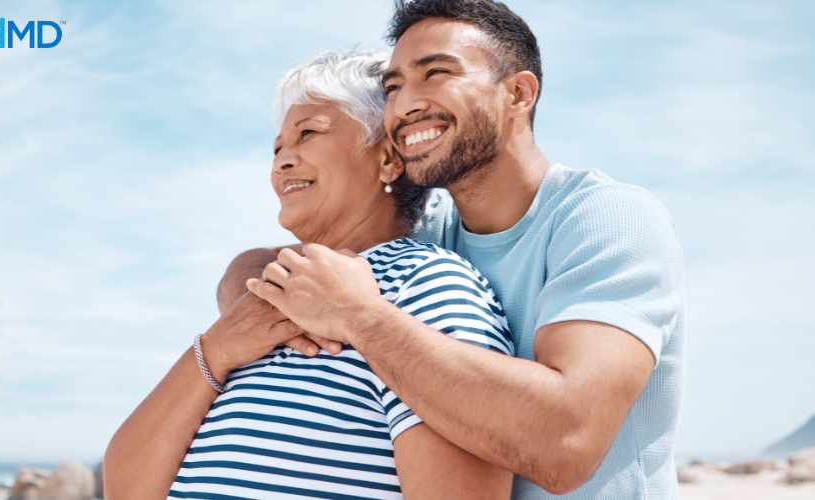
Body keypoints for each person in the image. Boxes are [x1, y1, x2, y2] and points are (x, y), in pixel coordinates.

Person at [234, 1, 686, 498]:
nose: (404, 105)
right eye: (393, 87)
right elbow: (256, 266)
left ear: (518, 93)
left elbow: (565, 443)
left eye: (436, 73)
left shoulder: (606, 217)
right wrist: (269, 293)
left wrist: (359, 317)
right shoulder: (427, 232)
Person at [105, 49, 517, 500]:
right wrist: (217, 348)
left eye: (308, 134)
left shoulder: (425, 284)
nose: (282, 161)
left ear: (388, 160)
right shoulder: (269, 297)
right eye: (278, 147)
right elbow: (127, 488)